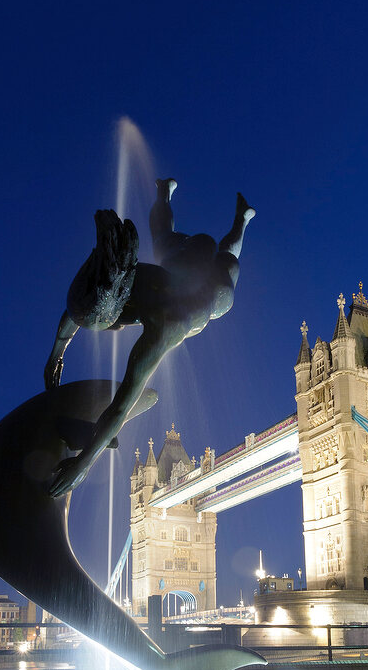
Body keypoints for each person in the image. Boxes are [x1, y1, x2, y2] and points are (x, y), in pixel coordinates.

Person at [45, 180, 255, 496]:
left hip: (209, 292)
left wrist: (83, 465)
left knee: (225, 256)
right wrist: (56, 353)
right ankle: (163, 192)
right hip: (178, 263)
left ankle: (241, 220)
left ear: (118, 310)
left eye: (105, 326)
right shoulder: (124, 276)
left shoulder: (166, 326)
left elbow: (120, 407)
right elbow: (76, 312)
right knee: (161, 239)